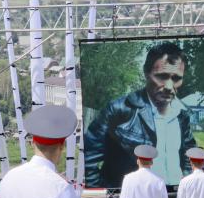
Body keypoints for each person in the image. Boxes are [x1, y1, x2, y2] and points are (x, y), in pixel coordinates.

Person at [84, 42, 197, 187]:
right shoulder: (120, 109)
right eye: (162, 77)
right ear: (146, 73)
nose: (169, 86)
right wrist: (106, 194)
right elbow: (89, 156)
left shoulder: (182, 114)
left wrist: (187, 185)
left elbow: (189, 156)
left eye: (176, 78)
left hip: (175, 196)